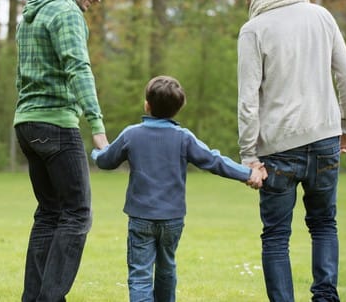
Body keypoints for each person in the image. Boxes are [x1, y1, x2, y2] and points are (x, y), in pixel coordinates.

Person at [234, 0, 346, 302]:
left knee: (276, 236)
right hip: (325, 139)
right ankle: (325, 297)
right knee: (323, 224)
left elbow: (248, 101)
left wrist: (248, 155)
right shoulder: (321, 16)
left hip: (277, 149)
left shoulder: (253, 30)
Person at [91, 75, 266, 302]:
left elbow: (106, 161)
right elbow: (214, 161)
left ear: (147, 105)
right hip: (172, 219)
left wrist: (97, 152)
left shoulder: (131, 134)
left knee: (141, 275)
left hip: (141, 217)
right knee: (166, 270)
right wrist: (247, 173)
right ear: (179, 109)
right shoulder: (183, 138)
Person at [13, 0, 117, 302]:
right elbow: (78, 69)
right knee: (78, 215)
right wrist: (98, 127)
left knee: (49, 215)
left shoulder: (31, 13)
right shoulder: (67, 12)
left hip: (27, 124)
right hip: (56, 125)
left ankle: (34, 298)